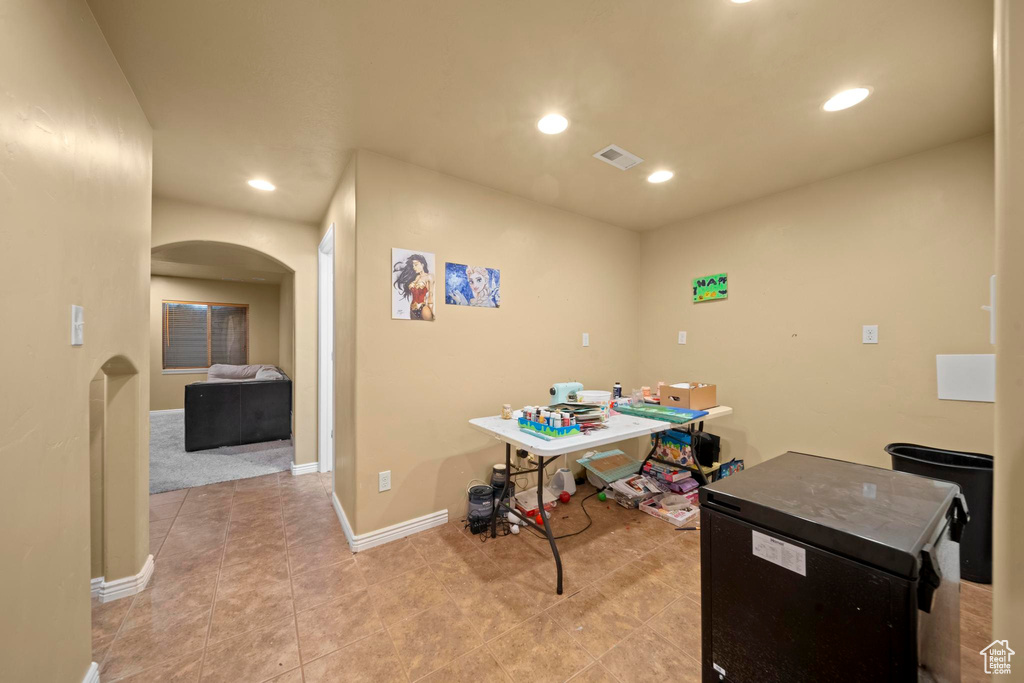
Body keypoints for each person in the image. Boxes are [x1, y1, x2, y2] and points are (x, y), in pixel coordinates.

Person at [393, 254, 434, 320]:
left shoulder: (429, 277)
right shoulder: (416, 277)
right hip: (412, 309)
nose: (414, 267)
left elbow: (431, 295)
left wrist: (432, 312)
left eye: (416, 265)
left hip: (423, 308)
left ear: (422, 264)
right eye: (413, 265)